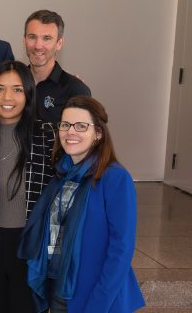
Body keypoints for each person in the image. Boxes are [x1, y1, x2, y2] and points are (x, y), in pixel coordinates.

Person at [19, 96, 145, 312]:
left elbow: (121, 249)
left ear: (98, 133)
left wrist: (99, 304)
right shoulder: (62, 174)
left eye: (81, 126)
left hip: (95, 295)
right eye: (66, 124)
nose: (71, 132)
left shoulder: (114, 178)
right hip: (58, 287)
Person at [0, 61, 54, 312]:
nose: (8, 97)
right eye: (0, 89)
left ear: (29, 94)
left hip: (29, 244)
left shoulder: (46, 135)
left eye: (17, 89)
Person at [23, 9, 91, 126]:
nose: (38, 46)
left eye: (47, 38)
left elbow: (82, 138)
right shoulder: (14, 84)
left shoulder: (75, 89)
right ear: (24, 41)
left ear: (59, 43)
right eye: (32, 37)